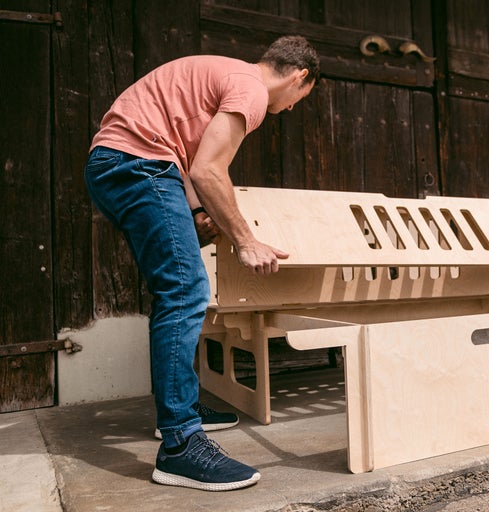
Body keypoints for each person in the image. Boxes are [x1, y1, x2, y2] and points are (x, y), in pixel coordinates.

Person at [84, 35, 319, 491]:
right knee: (185, 290)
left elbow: (187, 158)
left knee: (176, 287)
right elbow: (208, 170)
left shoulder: (225, 73)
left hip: (125, 162)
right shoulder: (251, 89)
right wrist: (246, 240)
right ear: (299, 76)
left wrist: (195, 212)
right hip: (137, 164)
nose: (291, 108)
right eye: (299, 99)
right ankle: (180, 444)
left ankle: (179, 411)